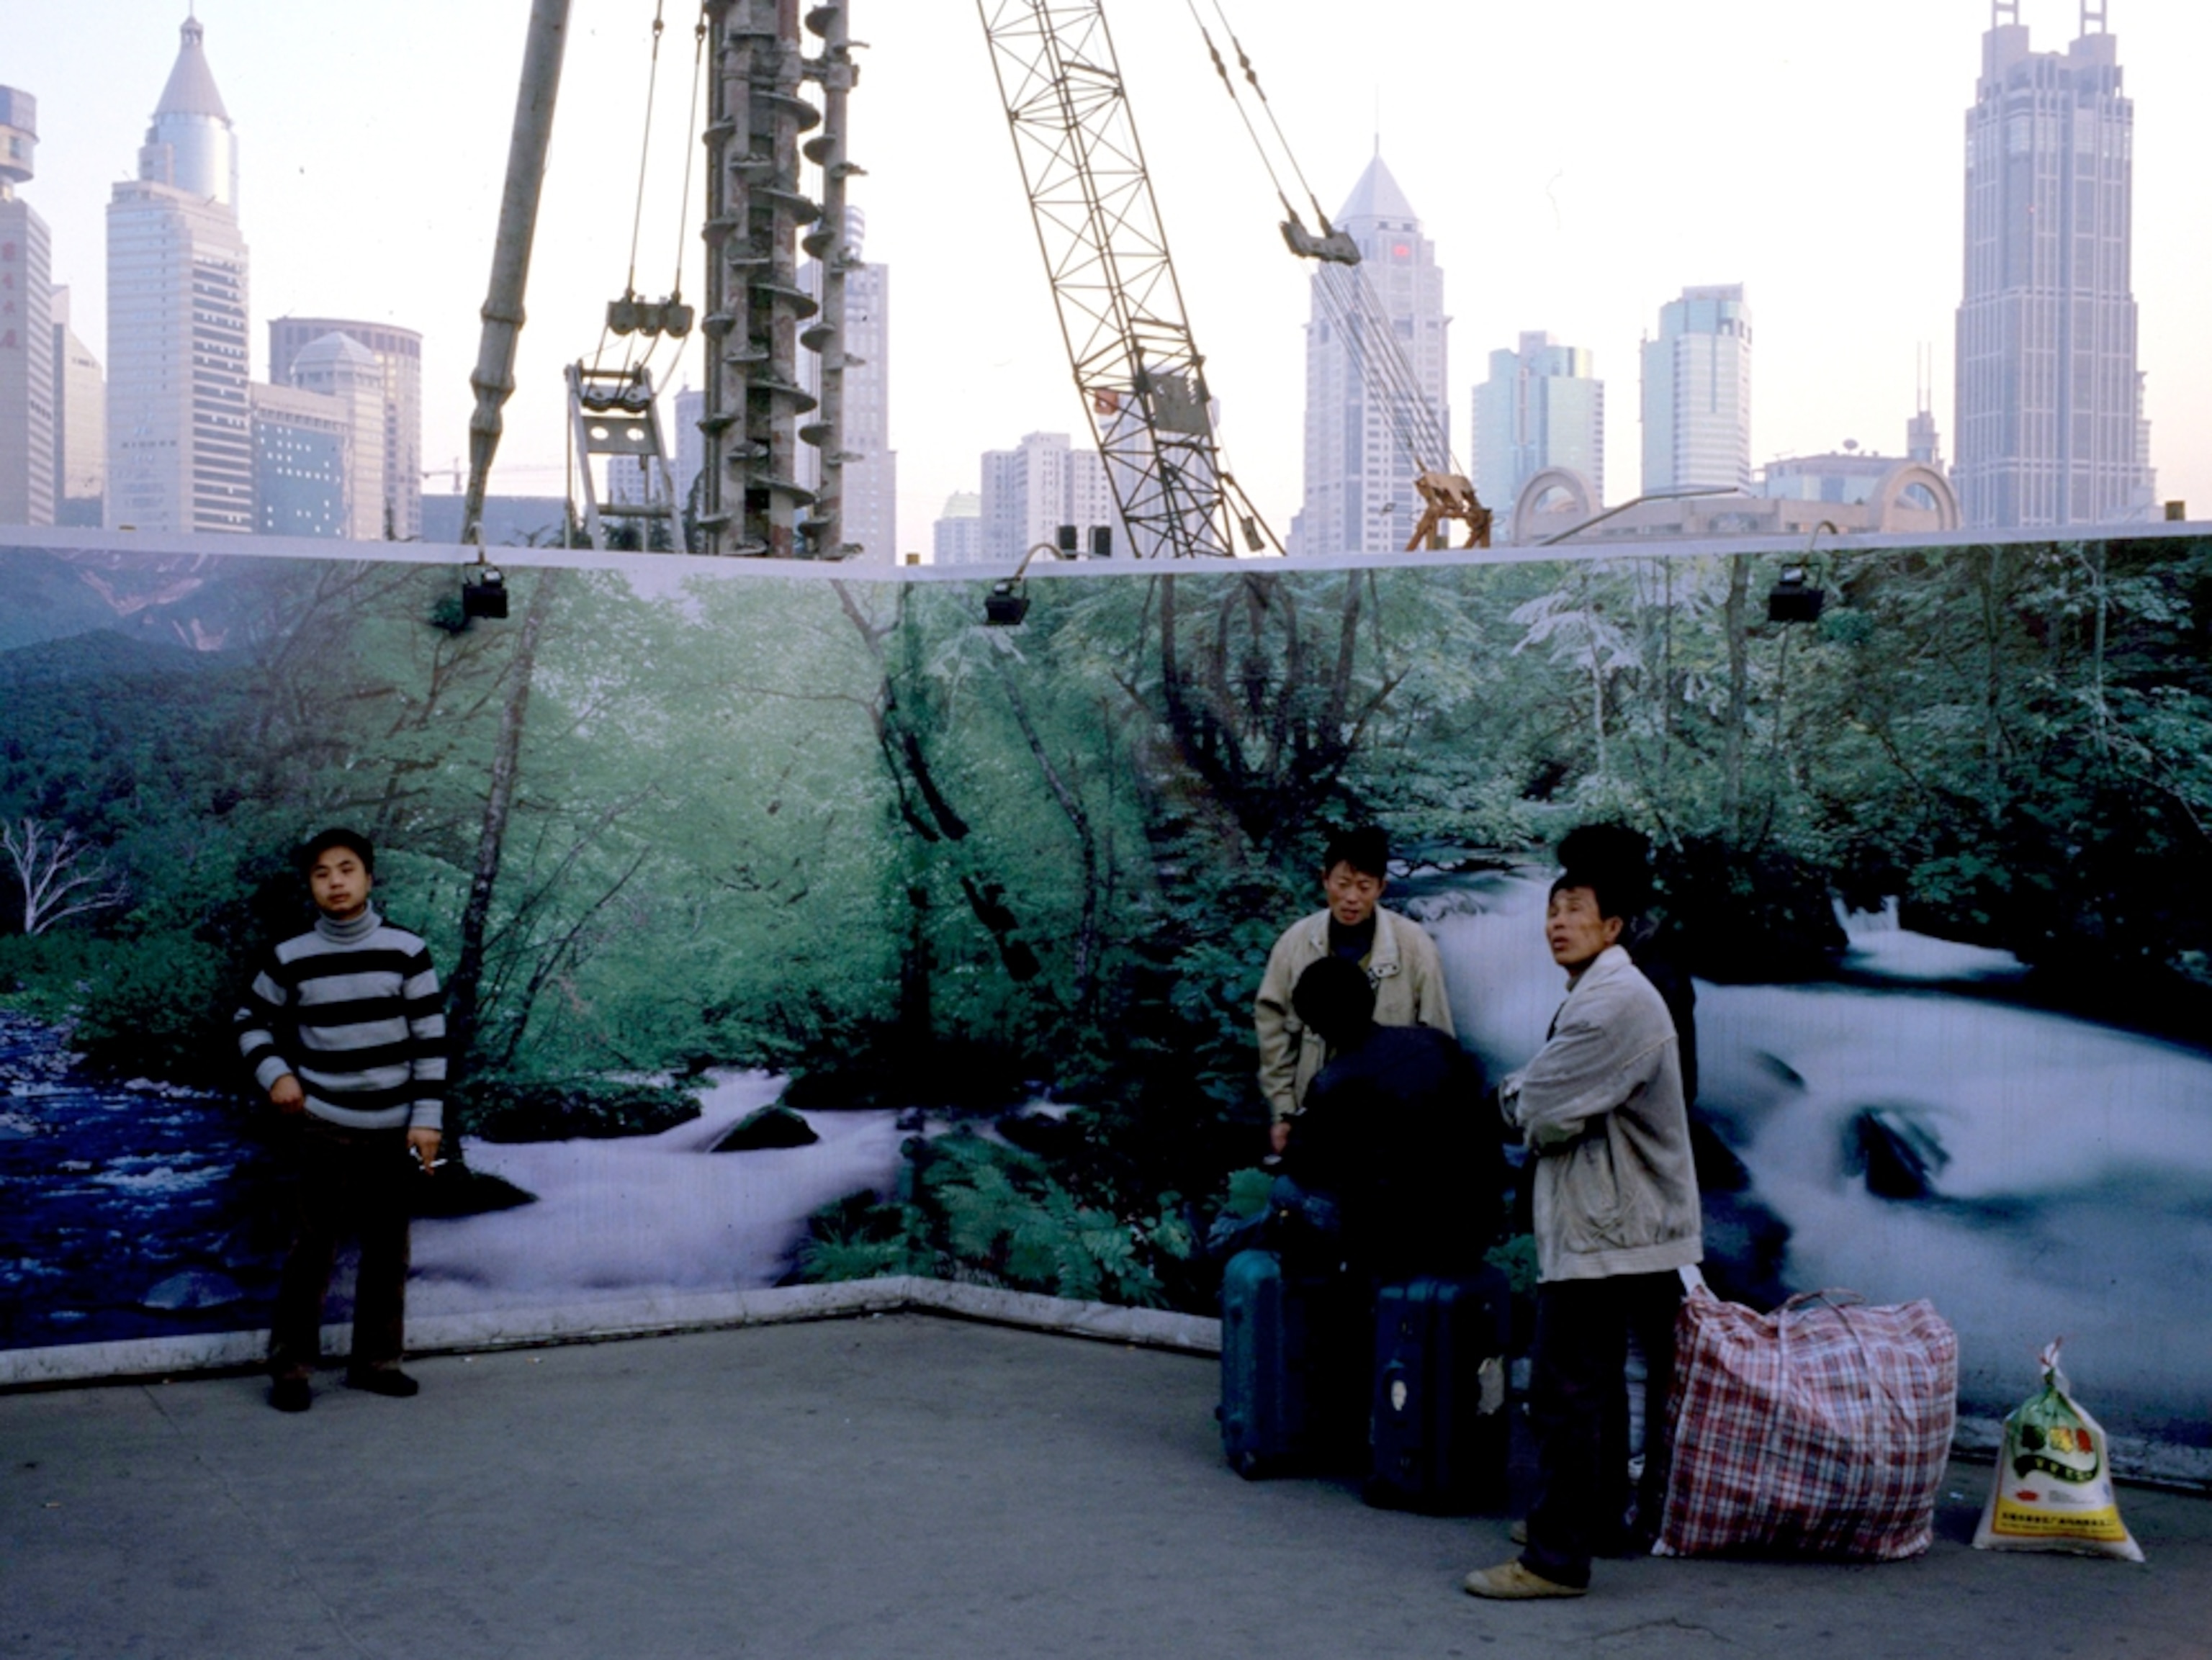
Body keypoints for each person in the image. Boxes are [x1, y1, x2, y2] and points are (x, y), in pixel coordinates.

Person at [1462, 867, 1702, 1601]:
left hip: (1608, 1222)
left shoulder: (1612, 1005)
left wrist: (1520, 1099)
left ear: (1613, 927)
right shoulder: (1602, 993)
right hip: (1620, 1215)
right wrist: (1546, 1102)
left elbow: (1539, 1104)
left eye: (1575, 910)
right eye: (1552, 910)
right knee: (1594, 1388)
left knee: (1564, 1391)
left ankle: (1555, 1560)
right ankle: (1593, 1519)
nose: (1557, 924)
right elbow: (1559, 1102)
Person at [235, 828, 446, 1412]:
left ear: (369, 878)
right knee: (312, 1249)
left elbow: (431, 1041)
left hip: (396, 1127)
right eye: (322, 873)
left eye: (347, 869)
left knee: (388, 1250)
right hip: (323, 1123)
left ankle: (378, 1363)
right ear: (310, 885)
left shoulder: (407, 951)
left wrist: (427, 1120)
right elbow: (249, 1020)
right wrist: (277, 1074)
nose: (336, 882)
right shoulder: (291, 956)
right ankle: (291, 1368)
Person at [1285, 956, 1500, 1278]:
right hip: (1473, 1225)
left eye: (1311, 1020)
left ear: (1319, 1021)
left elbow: (1307, 1166)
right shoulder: (1437, 1043)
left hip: (1394, 1241)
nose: (1312, 1030)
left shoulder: (1332, 1083)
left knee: (1286, 1191)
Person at [1254, 824, 1454, 1157]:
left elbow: (1437, 1036)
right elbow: (1273, 1032)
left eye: (1364, 887)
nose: (1351, 898)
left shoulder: (1415, 946)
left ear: (1381, 887)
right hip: (1316, 1106)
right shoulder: (1295, 943)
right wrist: (1284, 1111)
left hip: (1393, 1115)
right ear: (1325, 880)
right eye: (1343, 884)